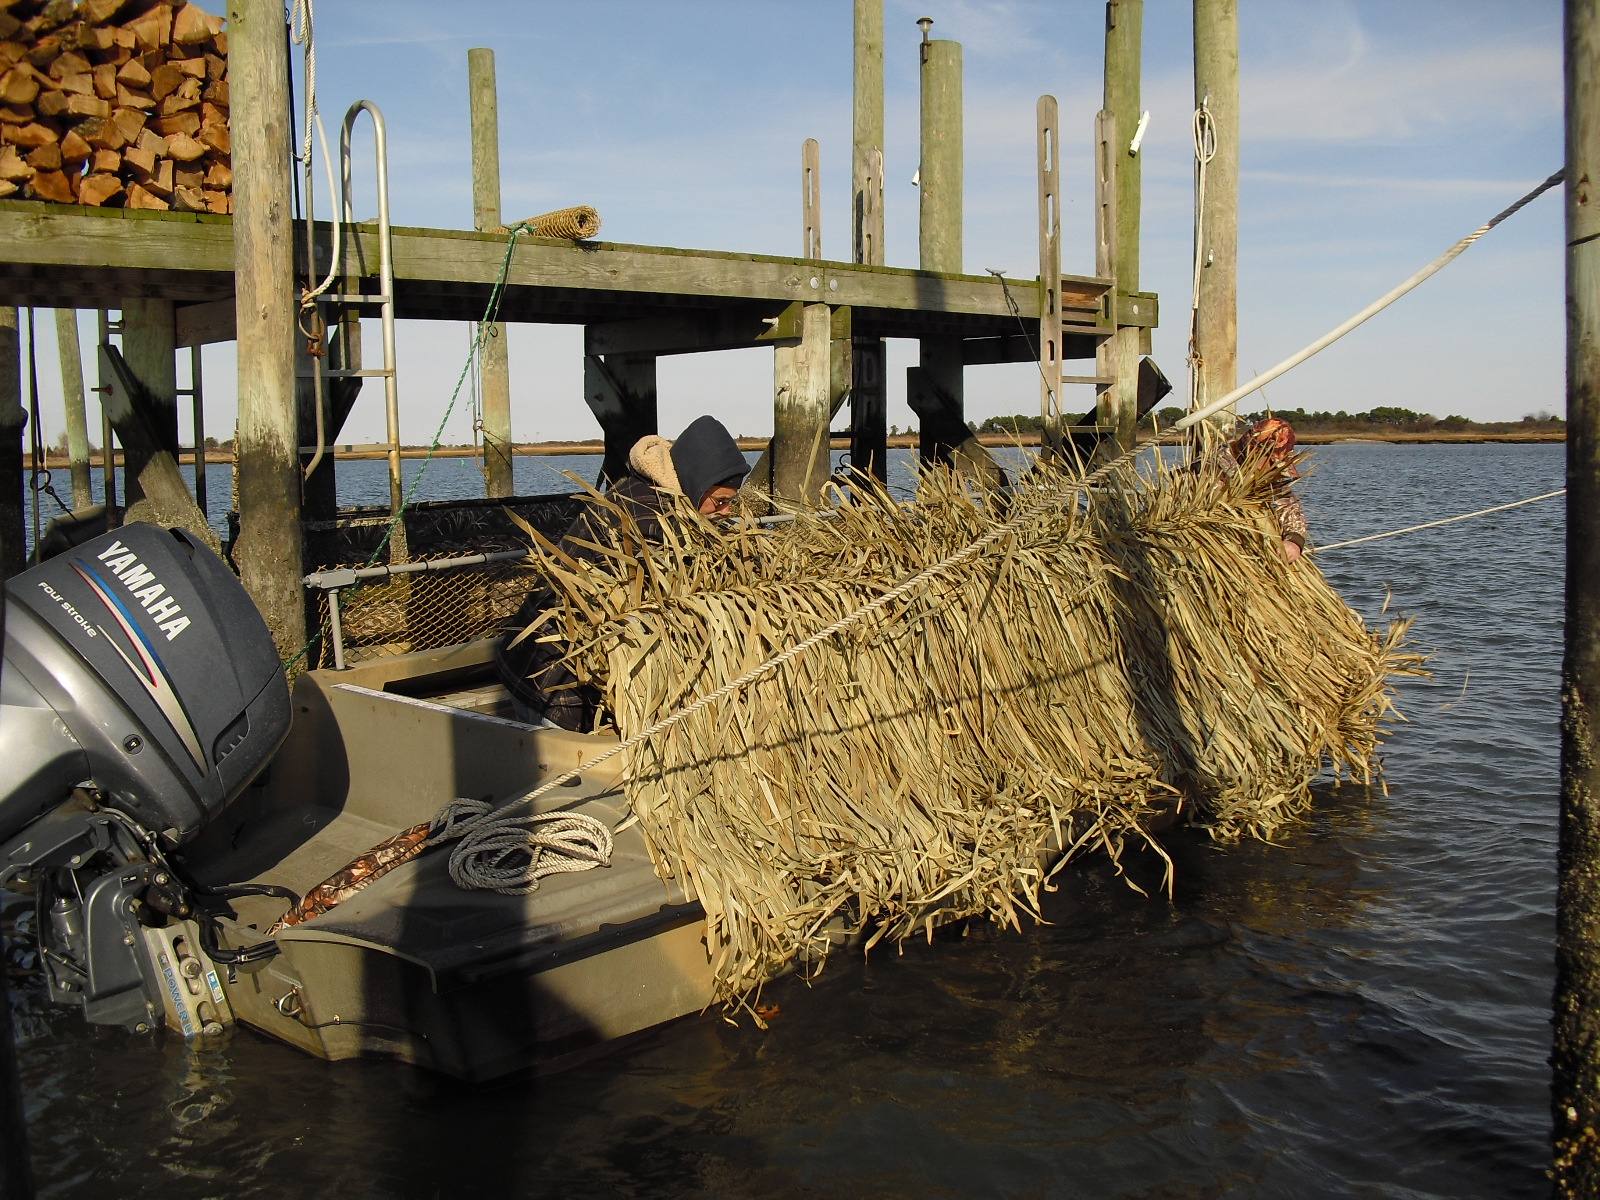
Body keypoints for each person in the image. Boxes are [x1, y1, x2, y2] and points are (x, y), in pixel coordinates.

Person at [494, 415, 750, 729]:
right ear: (697, 483)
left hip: (530, 663)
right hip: (554, 683)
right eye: (720, 502)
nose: (725, 513)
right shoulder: (654, 524)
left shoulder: (650, 492)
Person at [1214, 415, 1310, 561]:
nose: (1272, 468)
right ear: (1252, 449)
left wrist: (1294, 542)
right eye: (1270, 460)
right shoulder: (1207, 470)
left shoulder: (1268, 477)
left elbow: (1289, 508)